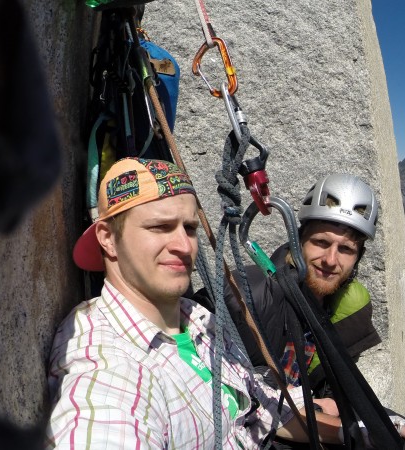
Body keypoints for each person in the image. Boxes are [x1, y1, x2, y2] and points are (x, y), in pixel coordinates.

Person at [45, 158, 353, 449]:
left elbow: (261, 408)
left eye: (189, 228)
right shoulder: (107, 361)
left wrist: (362, 432)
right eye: (159, 227)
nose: (184, 246)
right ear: (108, 238)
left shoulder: (197, 318)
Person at [217, 173, 405, 449]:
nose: (331, 260)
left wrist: (332, 403)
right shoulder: (250, 295)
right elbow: (230, 400)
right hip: (261, 428)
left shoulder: (346, 308)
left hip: (309, 414)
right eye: (321, 242)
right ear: (299, 241)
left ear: (357, 258)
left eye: (345, 249)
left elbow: (336, 380)